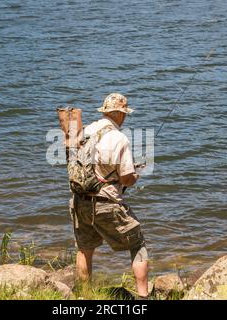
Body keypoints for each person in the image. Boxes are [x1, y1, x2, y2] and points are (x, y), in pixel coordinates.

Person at [69, 93, 149, 299]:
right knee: (137, 243)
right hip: (106, 203)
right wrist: (136, 175)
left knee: (84, 249)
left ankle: (84, 296)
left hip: (80, 201)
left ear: (105, 112)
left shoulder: (85, 131)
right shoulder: (118, 138)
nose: (125, 118)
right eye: (125, 114)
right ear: (120, 114)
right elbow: (126, 179)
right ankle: (143, 297)